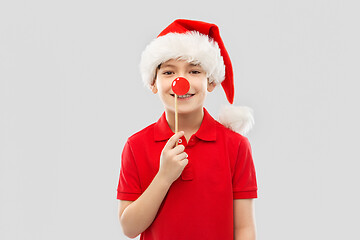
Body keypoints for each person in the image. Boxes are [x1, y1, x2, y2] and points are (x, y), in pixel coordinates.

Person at [116, 19, 258, 240]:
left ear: (210, 81)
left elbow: (244, 228)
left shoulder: (236, 146)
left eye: (193, 71)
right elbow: (130, 228)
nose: (180, 81)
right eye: (168, 72)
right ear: (153, 83)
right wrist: (164, 177)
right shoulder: (136, 146)